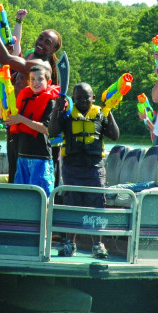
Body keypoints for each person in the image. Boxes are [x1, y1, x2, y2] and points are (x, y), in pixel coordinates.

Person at [0, 10, 63, 184]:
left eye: (47, 42)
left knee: (19, 177)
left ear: (52, 50)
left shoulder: (39, 65)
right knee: (15, 175)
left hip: (27, 132)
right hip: (16, 126)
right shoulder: (31, 64)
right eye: (41, 38)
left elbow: (4, 57)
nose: (41, 42)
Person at [49, 83, 120, 258]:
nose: (82, 101)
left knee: (96, 205)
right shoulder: (66, 116)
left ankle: (98, 245)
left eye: (86, 97)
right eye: (78, 98)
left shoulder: (101, 114)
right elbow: (52, 131)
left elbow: (115, 135)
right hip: (72, 168)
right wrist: (57, 110)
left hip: (94, 169)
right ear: (73, 99)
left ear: (93, 98)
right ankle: (69, 244)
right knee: (72, 204)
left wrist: (108, 109)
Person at [7, 64, 60, 195]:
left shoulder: (50, 102)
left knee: (42, 196)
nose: (35, 82)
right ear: (28, 81)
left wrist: (21, 119)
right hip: (22, 156)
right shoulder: (25, 97)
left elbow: (45, 129)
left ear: (48, 82)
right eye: (32, 79)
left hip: (40, 157)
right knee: (22, 196)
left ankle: (45, 216)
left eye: (40, 79)